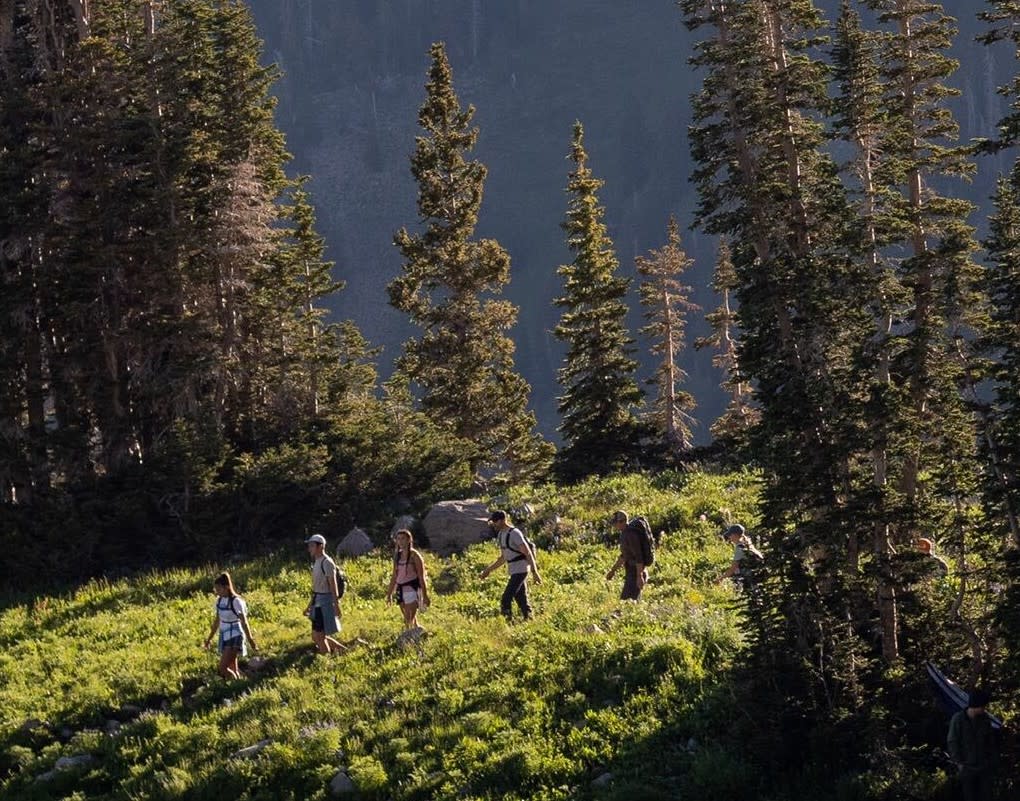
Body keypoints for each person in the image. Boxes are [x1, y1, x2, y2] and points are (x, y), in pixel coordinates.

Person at [479, 510, 542, 621]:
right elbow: (503, 558)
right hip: (513, 570)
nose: (493, 524)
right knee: (520, 597)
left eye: (495, 521)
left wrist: (534, 572)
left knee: (506, 598)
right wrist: (488, 570)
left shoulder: (515, 533)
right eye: (492, 521)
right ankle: (529, 618)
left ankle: (508, 622)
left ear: (503, 520)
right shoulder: (501, 535)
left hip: (521, 569)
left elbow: (527, 553)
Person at [203, 572, 258, 679]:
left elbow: (244, 622)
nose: (217, 592)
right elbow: (217, 621)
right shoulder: (219, 601)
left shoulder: (236, 601)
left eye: (219, 589)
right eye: (216, 590)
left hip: (235, 635)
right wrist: (209, 639)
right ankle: (236, 685)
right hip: (224, 635)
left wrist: (251, 640)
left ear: (227, 587)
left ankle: (233, 684)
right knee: (233, 667)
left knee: (223, 667)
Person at [947, 688, 998, 801]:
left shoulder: (985, 719)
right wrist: (959, 763)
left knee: (986, 796)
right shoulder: (958, 719)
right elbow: (952, 742)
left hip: (983, 766)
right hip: (967, 766)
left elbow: (990, 741)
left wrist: (990, 761)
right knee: (969, 797)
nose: (984, 709)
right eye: (983, 706)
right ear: (977, 705)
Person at [304, 534, 345, 654]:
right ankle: (343, 650)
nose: (309, 549)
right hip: (317, 602)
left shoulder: (327, 562)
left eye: (312, 546)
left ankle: (325, 661)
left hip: (324, 603)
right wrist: (309, 606)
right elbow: (316, 588)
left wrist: (336, 605)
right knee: (316, 636)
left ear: (320, 546)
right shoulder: (317, 562)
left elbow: (333, 585)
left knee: (319, 637)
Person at [386, 529, 430, 631]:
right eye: (398, 539)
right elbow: (394, 576)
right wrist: (389, 594)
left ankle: (407, 643)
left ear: (409, 540)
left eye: (403, 539)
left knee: (408, 619)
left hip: (412, 589)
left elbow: (421, 576)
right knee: (410, 619)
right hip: (400, 590)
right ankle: (419, 633)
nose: (400, 542)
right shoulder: (398, 556)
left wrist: (425, 595)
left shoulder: (415, 556)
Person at [605, 510, 651, 600]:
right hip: (632, 572)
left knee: (627, 602)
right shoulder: (624, 534)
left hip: (636, 573)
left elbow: (639, 557)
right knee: (629, 602)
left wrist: (639, 576)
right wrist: (613, 571)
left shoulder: (630, 535)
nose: (614, 525)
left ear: (622, 521)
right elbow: (624, 556)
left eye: (616, 523)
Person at [715, 523, 764, 588]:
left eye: (730, 535)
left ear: (736, 535)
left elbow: (733, 569)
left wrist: (720, 579)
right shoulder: (748, 544)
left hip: (749, 576)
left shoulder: (740, 548)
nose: (729, 537)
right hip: (758, 574)